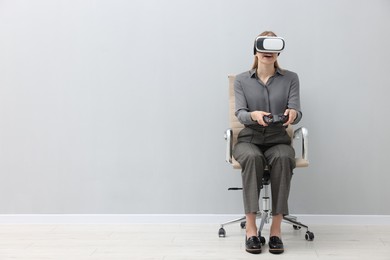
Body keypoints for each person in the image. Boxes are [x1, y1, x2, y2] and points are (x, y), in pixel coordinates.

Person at [232, 31, 302, 254]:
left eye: (272, 48)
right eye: (263, 47)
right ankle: (251, 230)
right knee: (252, 157)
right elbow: (240, 113)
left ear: (278, 51)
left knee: (283, 157)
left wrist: (293, 113)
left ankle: (275, 231)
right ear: (255, 50)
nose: (267, 52)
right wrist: (254, 115)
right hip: (249, 138)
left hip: (278, 138)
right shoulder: (242, 79)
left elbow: (297, 111)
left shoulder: (291, 78)